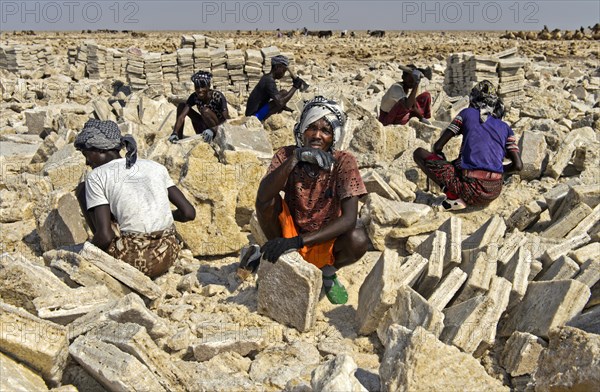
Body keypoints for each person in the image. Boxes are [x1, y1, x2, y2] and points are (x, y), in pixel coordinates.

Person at [253, 96, 369, 304]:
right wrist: (296, 158)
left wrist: (298, 242)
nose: (317, 135)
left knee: (359, 239)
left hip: (323, 237)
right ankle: (280, 257)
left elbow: (349, 218)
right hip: (290, 230)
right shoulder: (287, 154)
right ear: (302, 129)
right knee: (267, 202)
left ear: (334, 137)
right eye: (311, 128)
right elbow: (263, 196)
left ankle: (327, 271)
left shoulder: (344, 162)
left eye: (325, 131)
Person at [75, 119, 196, 278]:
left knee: (82, 190)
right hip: (168, 254)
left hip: (133, 260)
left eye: (87, 155)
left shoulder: (97, 176)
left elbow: (105, 236)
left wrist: (87, 253)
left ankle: (102, 253)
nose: (87, 162)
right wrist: (162, 214)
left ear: (99, 150)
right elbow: (188, 213)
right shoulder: (155, 167)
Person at [413, 80, 523, 211]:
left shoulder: (466, 113)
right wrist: (496, 169)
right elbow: (518, 166)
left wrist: (441, 158)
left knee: (419, 153)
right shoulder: (506, 127)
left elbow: (438, 146)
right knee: (460, 164)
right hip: (494, 191)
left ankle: (452, 195)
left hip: (471, 190)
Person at [168, 71, 229, 143]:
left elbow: (227, 122)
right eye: (197, 87)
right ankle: (178, 137)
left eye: (203, 87)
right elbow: (182, 116)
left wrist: (213, 130)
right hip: (203, 127)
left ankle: (213, 137)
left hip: (218, 128)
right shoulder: (194, 97)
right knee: (182, 106)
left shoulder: (218, 96)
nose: (200, 90)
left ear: (208, 86)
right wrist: (174, 132)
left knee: (205, 111)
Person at [245, 55, 305, 122]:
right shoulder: (269, 81)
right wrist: (295, 87)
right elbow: (280, 102)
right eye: (283, 70)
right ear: (277, 67)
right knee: (279, 102)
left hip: (258, 110)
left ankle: (280, 110)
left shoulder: (267, 77)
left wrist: (287, 109)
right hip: (254, 116)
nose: (283, 74)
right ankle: (263, 120)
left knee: (283, 92)